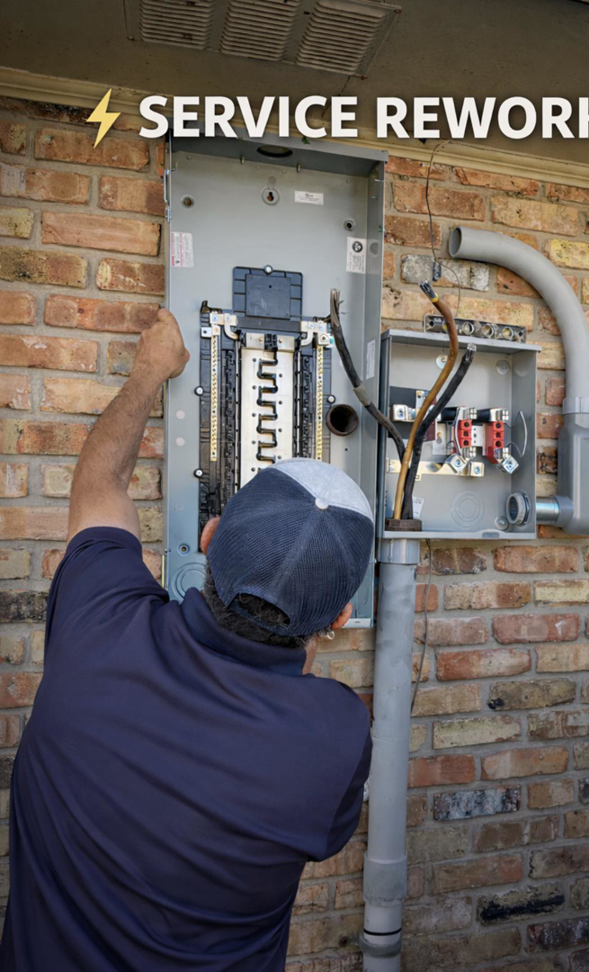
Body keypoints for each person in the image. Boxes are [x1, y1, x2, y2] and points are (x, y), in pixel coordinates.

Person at [0, 310, 374, 972]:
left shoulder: (100, 622)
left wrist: (151, 371)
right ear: (341, 614)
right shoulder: (336, 735)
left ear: (208, 540)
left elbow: (99, 485)